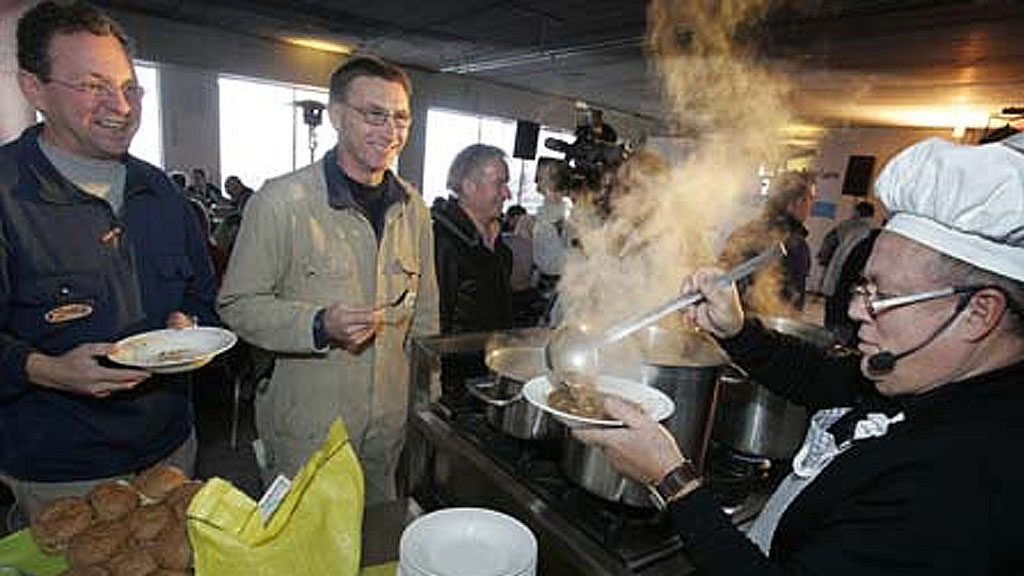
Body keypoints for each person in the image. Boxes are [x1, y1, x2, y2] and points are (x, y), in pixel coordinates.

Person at [577, 135, 1024, 575]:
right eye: (862, 288)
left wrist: (673, 481)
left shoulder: (968, 483)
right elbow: (821, 378)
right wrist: (735, 330)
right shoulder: (924, 374)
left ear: (979, 313)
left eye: (883, 298)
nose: (853, 310)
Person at [0, 1, 217, 524]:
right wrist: (46, 369)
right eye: (93, 86)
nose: (120, 105)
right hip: (60, 473)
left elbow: (200, 294)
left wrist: (188, 325)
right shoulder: (7, 196)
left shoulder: (161, 193)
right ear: (34, 89)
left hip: (170, 450)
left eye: (130, 87)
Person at [217, 55, 438, 505]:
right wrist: (319, 324)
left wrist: (427, 398)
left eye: (401, 118)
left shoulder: (413, 208)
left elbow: (426, 314)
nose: (390, 131)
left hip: (387, 430)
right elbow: (236, 304)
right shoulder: (281, 202)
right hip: (310, 432)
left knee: (373, 546)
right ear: (337, 115)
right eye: (373, 114)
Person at [431, 145, 514, 403]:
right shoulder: (441, 241)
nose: (507, 193)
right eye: (499, 184)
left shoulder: (499, 247)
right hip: (453, 389)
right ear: (468, 186)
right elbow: (434, 321)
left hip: (487, 380)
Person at [722, 171, 814, 313]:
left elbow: (722, 271)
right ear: (796, 202)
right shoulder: (795, 244)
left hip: (730, 318)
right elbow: (792, 302)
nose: (811, 207)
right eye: (810, 199)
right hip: (765, 325)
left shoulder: (745, 231)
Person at [818, 201, 878, 344]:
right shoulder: (873, 232)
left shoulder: (848, 227)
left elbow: (829, 243)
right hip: (850, 289)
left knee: (835, 326)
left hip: (839, 285)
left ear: (857, 212)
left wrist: (823, 261)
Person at [532, 157, 573, 292]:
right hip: (541, 279)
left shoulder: (567, 212)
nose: (537, 179)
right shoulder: (543, 212)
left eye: (542, 175)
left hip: (562, 284)